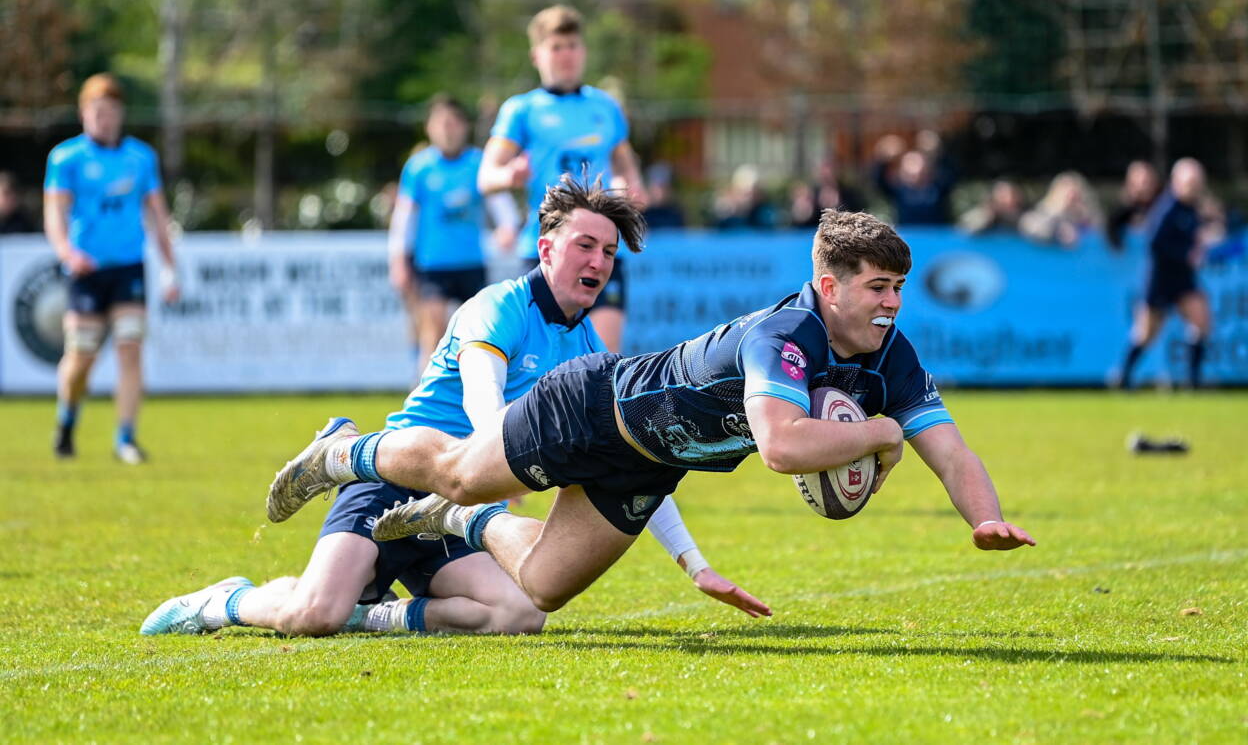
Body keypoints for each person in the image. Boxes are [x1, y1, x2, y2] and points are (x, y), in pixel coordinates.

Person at [267, 209, 1034, 616]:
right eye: (877, 288)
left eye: (899, 288)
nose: (893, 304)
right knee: (463, 471)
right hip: (594, 408)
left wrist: (983, 517)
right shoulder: (782, 336)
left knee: (541, 590)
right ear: (830, 288)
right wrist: (879, 432)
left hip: (654, 463)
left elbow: (954, 452)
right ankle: (342, 453)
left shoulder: (891, 353)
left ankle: (452, 525)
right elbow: (779, 446)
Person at [143, 180, 768, 637]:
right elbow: (481, 396)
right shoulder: (496, 307)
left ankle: (376, 616)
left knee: (521, 614)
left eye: (608, 253)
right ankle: (225, 601)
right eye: (586, 245)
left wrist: (695, 564)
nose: (599, 263)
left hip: (453, 508)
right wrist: (503, 461)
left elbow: (636, 462)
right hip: (398, 479)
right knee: (314, 614)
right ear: (547, 249)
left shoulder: (590, 351)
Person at [478, 4, 643, 353]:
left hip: (600, 244)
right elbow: (486, 176)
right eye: (556, 47)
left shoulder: (605, 108)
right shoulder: (521, 110)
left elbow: (626, 164)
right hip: (546, 249)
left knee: (604, 359)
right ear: (537, 55)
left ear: (583, 51)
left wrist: (632, 187)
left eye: (573, 46)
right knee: (544, 361)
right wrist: (510, 174)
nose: (566, 55)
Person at [43, 73, 179, 463]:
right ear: (84, 113)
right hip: (86, 270)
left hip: (129, 268)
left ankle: (126, 438)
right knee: (81, 356)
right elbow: (54, 213)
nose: (105, 119)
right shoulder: (65, 158)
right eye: (97, 112)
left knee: (130, 348)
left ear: (121, 114)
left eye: (111, 112)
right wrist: (67, 252)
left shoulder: (140, 158)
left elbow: (157, 214)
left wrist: (170, 268)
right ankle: (67, 420)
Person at [388, 95, 493, 377]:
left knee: (479, 334)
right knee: (432, 331)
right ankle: (424, 398)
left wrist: (508, 227)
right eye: (442, 123)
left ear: (464, 127)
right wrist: (398, 259)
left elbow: (499, 201)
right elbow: (404, 217)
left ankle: (479, 396)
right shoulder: (419, 167)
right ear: (430, 128)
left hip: (471, 262)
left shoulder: (478, 163)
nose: (448, 129)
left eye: (454, 122)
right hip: (433, 265)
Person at [1116, 158, 1214, 389]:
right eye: (1190, 182)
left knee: (1201, 322)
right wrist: (1186, 254)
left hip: (1183, 279)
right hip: (1161, 279)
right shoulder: (1166, 208)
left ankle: (1193, 380)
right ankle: (1123, 376)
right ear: (1176, 182)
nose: (1194, 187)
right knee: (1146, 334)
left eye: (1197, 182)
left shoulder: (1191, 209)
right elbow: (1155, 243)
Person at [1019, 171, 1103, 248]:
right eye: (1066, 196)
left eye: (1075, 197)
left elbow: (1102, 239)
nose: (1071, 200)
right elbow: (1030, 229)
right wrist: (1057, 217)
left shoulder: (1089, 218)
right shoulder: (1039, 214)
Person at [1106, 161, 1162, 251]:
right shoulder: (1122, 212)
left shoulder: (1163, 206)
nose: (1143, 188)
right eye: (1138, 183)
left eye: (1146, 182)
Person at [958, 179, 1027, 235]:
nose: (1008, 199)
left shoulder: (1024, 215)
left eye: (1012, 195)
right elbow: (964, 230)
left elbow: (1033, 228)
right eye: (1002, 196)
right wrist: (987, 216)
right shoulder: (985, 213)